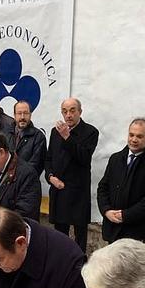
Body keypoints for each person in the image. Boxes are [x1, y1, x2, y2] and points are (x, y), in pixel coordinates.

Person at [97, 117, 145, 245]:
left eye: (139, 136)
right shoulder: (115, 159)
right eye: (131, 135)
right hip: (112, 228)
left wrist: (126, 215)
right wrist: (106, 210)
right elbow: (103, 187)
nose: (134, 139)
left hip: (136, 232)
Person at [45, 97, 99, 254]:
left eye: (72, 111)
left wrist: (67, 137)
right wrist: (50, 177)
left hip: (77, 193)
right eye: (64, 111)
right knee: (59, 235)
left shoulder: (90, 132)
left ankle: (79, 266)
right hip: (58, 190)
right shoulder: (55, 132)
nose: (68, 115)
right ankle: (61, 265)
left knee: (79, 237)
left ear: (80, 112)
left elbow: (83, 157)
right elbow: (48, 158)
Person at [7, 101, 46, 176]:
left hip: (27, 182)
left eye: (25, 113)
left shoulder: (38, 137)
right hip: (7, 183)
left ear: (30, 115)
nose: (22, 117)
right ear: (14, 115)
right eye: (19, 113)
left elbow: (36, 165)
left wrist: (17, 177)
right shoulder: (6, 134)